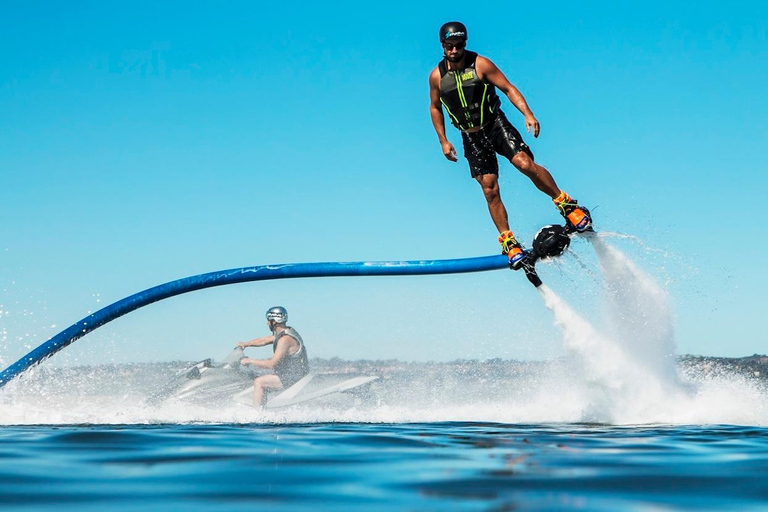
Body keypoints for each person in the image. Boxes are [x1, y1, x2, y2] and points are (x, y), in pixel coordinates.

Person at [428, 21, 593, 270]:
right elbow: (435, 107)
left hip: (495, 125)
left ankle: (567, 205)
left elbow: (507, 88)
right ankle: (508, 241)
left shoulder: (481, 64)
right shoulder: (437, 76)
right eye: (449, 46)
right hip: (470, 136)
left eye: (459, 45)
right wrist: (443, 140)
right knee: (489, 189)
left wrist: (528, 113)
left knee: (524, 163)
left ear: (465, 44)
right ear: (443, 46)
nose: (454, 50)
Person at [236, 306, 309, 408]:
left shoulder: (285, 339)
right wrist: (246, 344)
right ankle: (262, 407)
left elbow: (272, 364)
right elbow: (264, 340)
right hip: (291, 375)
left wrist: (249, 361)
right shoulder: (285, 333)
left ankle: (257, 415)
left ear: (274, 322)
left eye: (268, 320)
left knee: (260, 382)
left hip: (293, 378)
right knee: (256, 376)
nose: (267, 323)